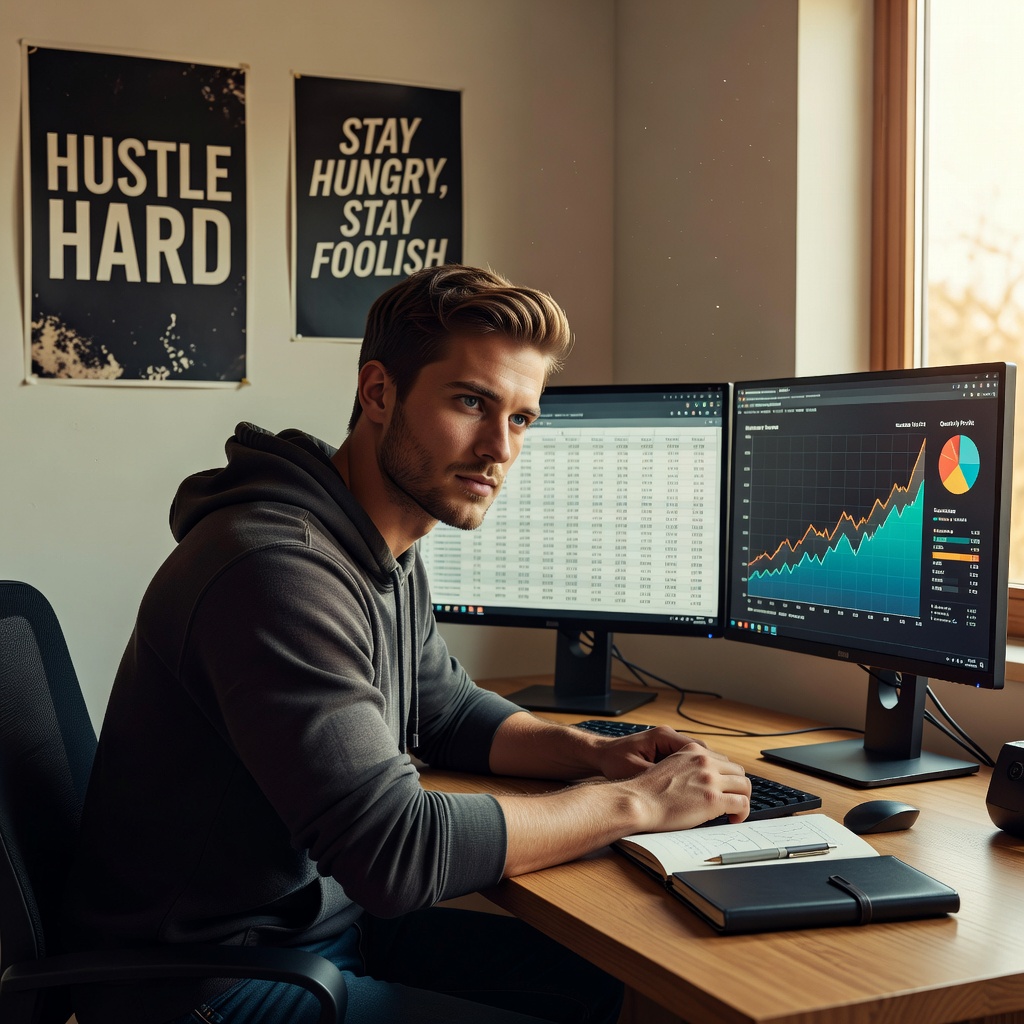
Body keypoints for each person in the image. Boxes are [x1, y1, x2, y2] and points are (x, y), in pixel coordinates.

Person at [63, 265, 751, 1024]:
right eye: (471, 402)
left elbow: (444, 710)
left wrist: (593, 752)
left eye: (522, 418)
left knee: (607, 983)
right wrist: (633, 802)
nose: (498, 448)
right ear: (378, 392)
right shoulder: (276, 569)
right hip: (205, 982)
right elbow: (395, 852)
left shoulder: (375, 542)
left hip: (312, 934)